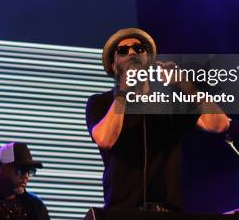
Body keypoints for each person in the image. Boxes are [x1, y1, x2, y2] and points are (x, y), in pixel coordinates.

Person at [85, 28, 230, 211]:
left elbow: (220, 124)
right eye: (123, 51)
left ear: (149, 59)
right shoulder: (100, 102)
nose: (131, 53)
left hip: (168, 211)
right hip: (122, 212)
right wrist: (122, 93)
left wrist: (185, 86)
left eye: (138, 49)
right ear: (114, 66)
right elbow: (105, 139)